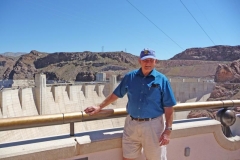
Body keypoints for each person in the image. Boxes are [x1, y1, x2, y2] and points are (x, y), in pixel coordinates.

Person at [84, 48, 176, 160]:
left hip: (153, 126)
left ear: (155, 61)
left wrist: (168, 130)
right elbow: (116, 94)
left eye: (151, 60)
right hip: (131, 125)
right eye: (145, 60)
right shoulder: (130, 77)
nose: (148, 63)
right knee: (128, 158)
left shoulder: (162, 80)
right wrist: (99, 107)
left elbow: (169, 107)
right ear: (139, 61)